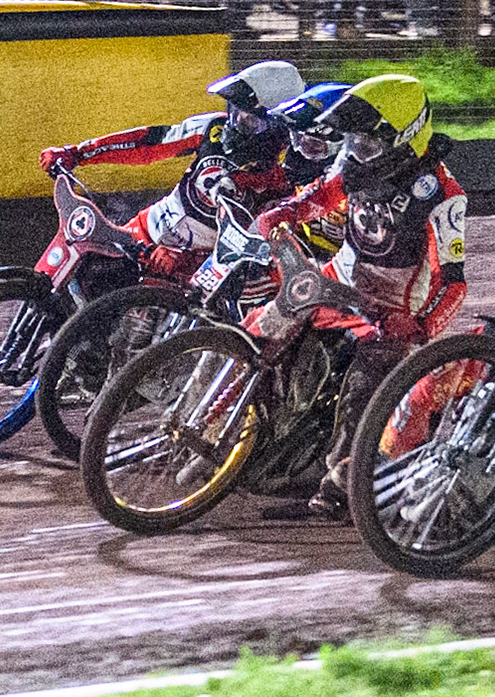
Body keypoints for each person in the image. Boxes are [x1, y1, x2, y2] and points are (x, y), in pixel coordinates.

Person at [251, 74, 468, 520]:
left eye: (367, 143)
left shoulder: (443, 195)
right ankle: (225, 424)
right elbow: (318, 198)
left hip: (388, 309)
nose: (356, 150)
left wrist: (421, 326)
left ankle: (347, 481)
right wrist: (285, 213)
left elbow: (453, 284)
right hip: (334, 282)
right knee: (258, 328)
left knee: (361, 393)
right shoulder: (353, 165)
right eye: (352, 141)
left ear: (404, 136)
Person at [38, 60, 306, 280]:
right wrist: (77, 153)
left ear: (278, 127)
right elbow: (148, 144)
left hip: (187, 268)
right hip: (140, 233)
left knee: (128, 326)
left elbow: (248, 242)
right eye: (234, 111)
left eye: (248, 121)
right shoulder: (213, 127)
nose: (234, 124)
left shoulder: (283, 177)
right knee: (79, 276)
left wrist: (183, 255)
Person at [268, 82, 353, 256]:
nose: (299, 153)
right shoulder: (294, 169)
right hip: (313, 258)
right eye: (297, 140)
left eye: (312, 146)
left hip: (352, 266)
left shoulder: (356, 188)